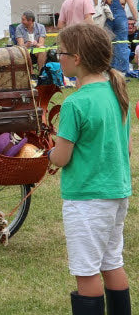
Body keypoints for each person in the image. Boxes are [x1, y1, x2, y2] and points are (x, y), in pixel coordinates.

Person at [49, 24, 131, 314]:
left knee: (87, 272)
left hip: (87, 199)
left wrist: (50, 149)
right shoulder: (116, 91)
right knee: (112, 263)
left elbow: (60, 158)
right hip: (116, 193)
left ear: (78, 58)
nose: (58, 58)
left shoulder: (75, 103)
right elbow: (125, 147)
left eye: (61, 52)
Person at [93, 0, 138, 73]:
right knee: (122, 44)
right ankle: (122, 70)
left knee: (108, 44)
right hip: (121, 19)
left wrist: (97, 6)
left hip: (108, 18)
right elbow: (131, 7)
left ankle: (109, 68)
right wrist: (137, 20)